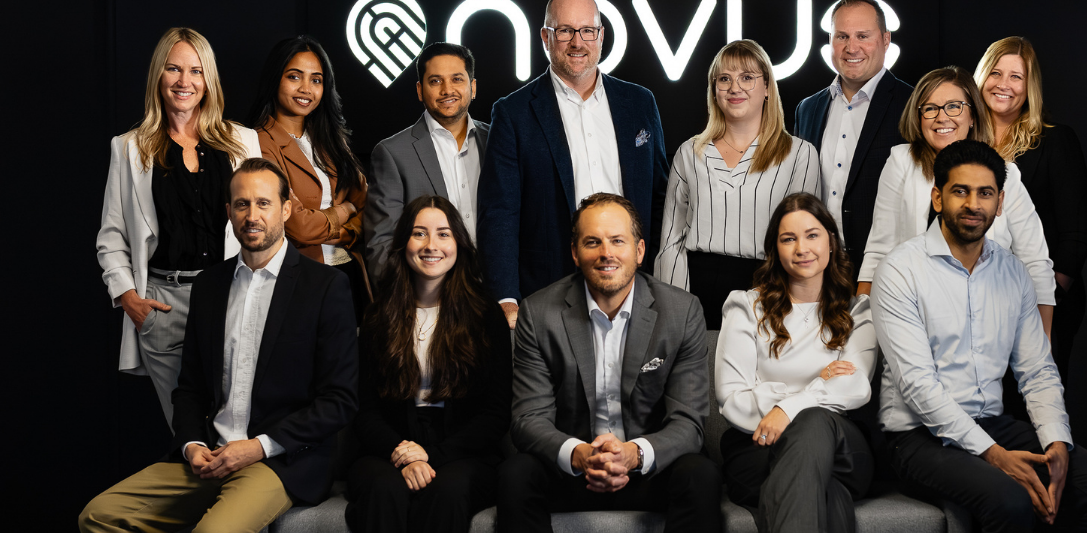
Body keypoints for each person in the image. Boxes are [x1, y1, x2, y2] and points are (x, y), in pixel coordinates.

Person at [80, 158, 360, 533]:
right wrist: (192, 444)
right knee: (98, 515)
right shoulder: (210, 285)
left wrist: (258, 446)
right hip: (209, 456)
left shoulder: (325, 287)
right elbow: (191, 388)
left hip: (278, 462)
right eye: (242, 204)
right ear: (228, 212)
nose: (252, 215)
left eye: (264, 203)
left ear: (286, 209)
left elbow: (339, 401)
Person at [872, 140, 1087, 532]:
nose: (973, 204)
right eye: (960, 191)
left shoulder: (1013, 272)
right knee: (1009, 500)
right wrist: (993, 454)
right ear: (938, 198)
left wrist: (1056, 441)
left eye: (985, 193)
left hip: (992, 422)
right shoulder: (900, 271)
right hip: (917, 436)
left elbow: (1038, 370)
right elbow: (917, 386)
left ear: (999, 201)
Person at [498, 193, 722, 533]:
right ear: (575, 253)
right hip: (573, 472)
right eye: (593, 242)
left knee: (700, 474)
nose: (606, 253)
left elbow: (688, 423)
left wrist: (633, 455)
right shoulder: (539, 312)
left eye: (618, 240)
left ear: (640, 250)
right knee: (516, 474)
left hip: (648, 470)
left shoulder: (682, 311)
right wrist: (580, 455)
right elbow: (528, 419)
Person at [478, 0, 669, 328]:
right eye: (565, 31)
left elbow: (659, 196)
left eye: (587, 31)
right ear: (546, 37)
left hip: (632, 284)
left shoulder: (640, 103)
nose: (577, 42)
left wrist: (654, 272)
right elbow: (499, 212)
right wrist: (505, 297)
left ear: (601, 35)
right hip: (548, 288)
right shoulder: (514, 112)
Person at [97, 27, 261, 427]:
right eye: (174, 69)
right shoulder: (130, 146)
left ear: (209, 80)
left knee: (234, 425)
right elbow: (111, 236)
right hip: (163, 304)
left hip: (231, 297)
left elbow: (264, 223)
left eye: (195, 70)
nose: (184, 81)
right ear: (159, 75)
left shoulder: (243, 142)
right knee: (187, 431)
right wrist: (129, 299)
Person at [345, 195, 512, 533]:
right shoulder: (379, 316)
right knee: (383, 488)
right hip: (389, 446)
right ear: (403, 242)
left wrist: (430, 456)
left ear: (459, 243)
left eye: (443, 234)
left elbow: (495, 414)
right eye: (419, 233)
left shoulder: (486, 315)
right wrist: (402, 453)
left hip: (464, 450)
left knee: (446, 490)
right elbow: (364, 409)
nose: (431, 245)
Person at [716, 193, 876, 533]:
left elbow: (856, 385)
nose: (802, 248)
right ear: (776, 249)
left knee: (816, 422)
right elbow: (731, 398)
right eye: (788, 239)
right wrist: (821, 384)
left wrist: (787, 406)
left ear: (831, 242)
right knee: (826, 492)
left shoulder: (857, 311)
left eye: (812, 235)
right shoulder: (747, 308)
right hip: (757, 450)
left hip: (841, 450)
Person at [858, 66, 1056, 334]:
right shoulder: (901, 162)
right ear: (918, 117)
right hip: (911, 322)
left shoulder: (1005, 173)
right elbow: (879, 252)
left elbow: (1035, 263)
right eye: (930, 108)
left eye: (954, 106)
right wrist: (862, 334)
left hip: (988, 326)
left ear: (973, 114)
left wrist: (1042, 343)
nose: (942, 117)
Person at [655, 40, 821, 329]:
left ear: (767, 87)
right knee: (700, 374)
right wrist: (673, 309)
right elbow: (671, 241)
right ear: (714, 89)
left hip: (768, 289)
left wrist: (794, 307)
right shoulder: (690, 152)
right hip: (696, 290)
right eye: (724, 79)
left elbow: (803, 242)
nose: (735, 87)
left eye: (747, 77)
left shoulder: (799, 154)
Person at [975, 37, 1087, 379]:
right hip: (973, 302)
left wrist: (1042, 301)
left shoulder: (1055, 141)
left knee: (1033, 407)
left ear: (1030, 87)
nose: (1003, 85)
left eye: (1016, 77)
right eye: (996, 73)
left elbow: (1075, 237)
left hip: (1038, 300)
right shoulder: (960, 142)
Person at [250, 34, 371, 319]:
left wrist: (343, 227)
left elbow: (369, 206)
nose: (306, 89)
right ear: (275, 79)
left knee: (350, 361)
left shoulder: (330, 140)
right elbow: (297, 226)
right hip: (300, 278)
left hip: (347, 273)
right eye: (295, 77)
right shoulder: (259, 143)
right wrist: (345, 210)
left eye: (316, 80)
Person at [794, 0, 912, 278]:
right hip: (817, 268)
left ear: (885, 40)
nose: (851, 47)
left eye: (863, 36)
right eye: (842, 36)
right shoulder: (807, 109)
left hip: (887, 269)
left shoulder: (913, 104)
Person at [365, 42, 488, 283]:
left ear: (473, 87)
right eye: (435, 81)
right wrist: (411, 304)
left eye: (457, 79)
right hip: (428, 297)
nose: (447, 90)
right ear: (420, 90)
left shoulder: (498, 142)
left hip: (497, 296)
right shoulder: (392, 153)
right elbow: (381, 244)